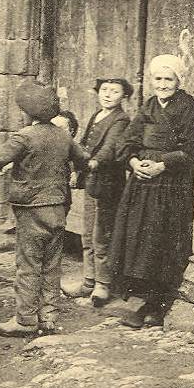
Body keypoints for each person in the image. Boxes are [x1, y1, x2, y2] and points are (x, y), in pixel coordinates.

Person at [0, 80, 96, 337]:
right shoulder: (63, 136)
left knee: (28, 264)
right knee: (51, 264)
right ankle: (48, 318)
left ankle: (25, 320)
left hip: (31, 209)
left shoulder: (24, 137)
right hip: (58, 207)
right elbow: (85, 162)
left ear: (28, 112)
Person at [108, 54, 194, 328]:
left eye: (168, 79)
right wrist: (134, 162)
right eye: (158, 79)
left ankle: (159, 303)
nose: (162, 84)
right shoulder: (148, 106)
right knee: (139, 240)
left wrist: (162, 165)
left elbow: (190, 149)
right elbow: (128, 141)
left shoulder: (186, 106)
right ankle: (144, 299)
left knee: (161, 241)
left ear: (178, 81)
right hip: (142, 185)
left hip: (169, 186)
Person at [62, 77, 132, 306]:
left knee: (101, 236)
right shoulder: (96, 115)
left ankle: (103, 284)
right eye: (104, 90)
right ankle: (88, 281)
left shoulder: (121, 119)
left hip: (108, 183)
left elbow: (110, 147)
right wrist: (76, 166)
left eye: (114, 91)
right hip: (92, 182)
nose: (108, 94)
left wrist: (94, 163)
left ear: (124, 96)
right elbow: (83, 143)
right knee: (87, 233)